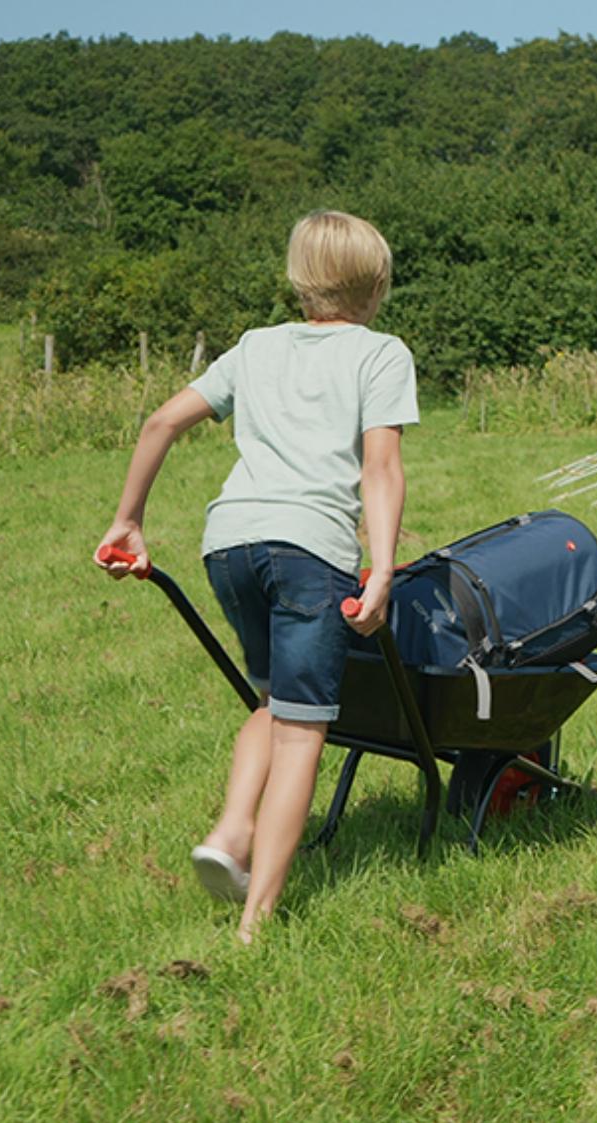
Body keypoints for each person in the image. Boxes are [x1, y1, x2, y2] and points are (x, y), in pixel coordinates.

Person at [95, 210, 417, 941]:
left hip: (229, 543)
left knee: (272, 704)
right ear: (377, 286)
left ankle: (230, 831)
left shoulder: (255, 346)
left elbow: (159, 423)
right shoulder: (381, 354)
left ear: (299, 280)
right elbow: (381, 466)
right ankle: (256, 921)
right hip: (308, 550)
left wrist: (128, 520)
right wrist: (386, 569)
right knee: (305, 731)